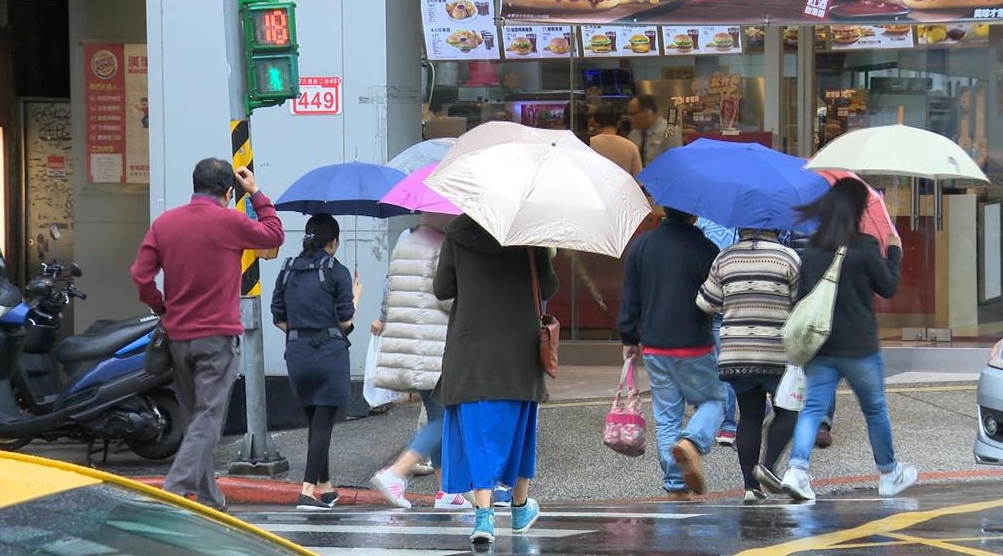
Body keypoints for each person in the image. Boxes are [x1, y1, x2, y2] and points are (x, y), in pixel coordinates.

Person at [130, 158, 284, 511]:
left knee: (194, 418)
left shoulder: (165, 223)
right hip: (216, 337)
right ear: (229, 191)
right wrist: (257, 192)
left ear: (194, 184)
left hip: (177, 337)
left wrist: (161, 307)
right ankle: (174, 488)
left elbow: (141, 276)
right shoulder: (231, 221)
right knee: (208, 421)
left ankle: (211, 498)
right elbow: (274, 234)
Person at [780, 177, 916, 501]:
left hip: (820, 345)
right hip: (859, 347)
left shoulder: (812, 247)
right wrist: (894, 252)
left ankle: (796, 472)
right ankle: (888, 473)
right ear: (857, 210)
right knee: (875, 409)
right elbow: (888, 287)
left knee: (812, 409)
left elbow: (802, 295)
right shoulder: (866, 246)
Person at [433, 214, 558, 544]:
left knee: (477, 431)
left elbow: (442, 288)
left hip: (470, 349)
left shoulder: (457, 232)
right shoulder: (532, 231)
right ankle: (519, 508)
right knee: (520, 429)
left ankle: (484, 517)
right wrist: (546, 250)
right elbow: (548, 287)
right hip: (518, 350)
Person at [617, 208, 724, 501]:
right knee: (715, 401)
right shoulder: (705, 248)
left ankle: (675, 485)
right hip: (693, 343)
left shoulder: (642, 245)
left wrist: (629, 336)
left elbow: (631, 296)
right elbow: (714, 299)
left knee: (667, 419)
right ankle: (693, 441)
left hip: (654, 344)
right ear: (695, 214)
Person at [368, 213, 472, 510]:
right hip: (433, 346)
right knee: (444, 418)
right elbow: (446, 298)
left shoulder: (405, 243)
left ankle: (446, 491)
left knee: (439, 414)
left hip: (409, 345)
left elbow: (390, 293)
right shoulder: (442, 247)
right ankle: (396, 472)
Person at [696, 228, 801, 503]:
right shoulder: (788, 257)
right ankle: (768, 464)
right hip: (777, 352)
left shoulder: (725, 258)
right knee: (790, 410)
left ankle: (750, 487)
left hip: (737, 352)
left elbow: (706, 303)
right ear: (776, 228)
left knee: (750, 416)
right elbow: (800, 301)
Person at [271, 214, 361, 510]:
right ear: (333, 242)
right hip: (329, 356)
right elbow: (346, 321)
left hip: (297, 355)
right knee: (322, 425)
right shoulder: (337, 271)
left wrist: (304, 332)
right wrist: (356, 298)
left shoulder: (287, 269)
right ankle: (307, 492)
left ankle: (326, 488)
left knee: (315, 423)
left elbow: (279, 318)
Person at [695, 217, 739, 448]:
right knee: (731, 365)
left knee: (716, 365)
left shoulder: (702, 222)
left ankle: (726, 421)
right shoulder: (743, 221)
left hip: (710, 298)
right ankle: (729, 424)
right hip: (738, 299)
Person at [588, 103, 642, 177]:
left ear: (595, 122)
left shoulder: (587, 144)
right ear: (618, 123)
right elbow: (638, 180)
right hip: (623, 188)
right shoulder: (631, 147)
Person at [627, 94, 669, 167]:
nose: (631, 118)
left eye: (633, 114)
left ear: (648, 111)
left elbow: (676, 163)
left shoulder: (669, 132)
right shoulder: (633, 134)